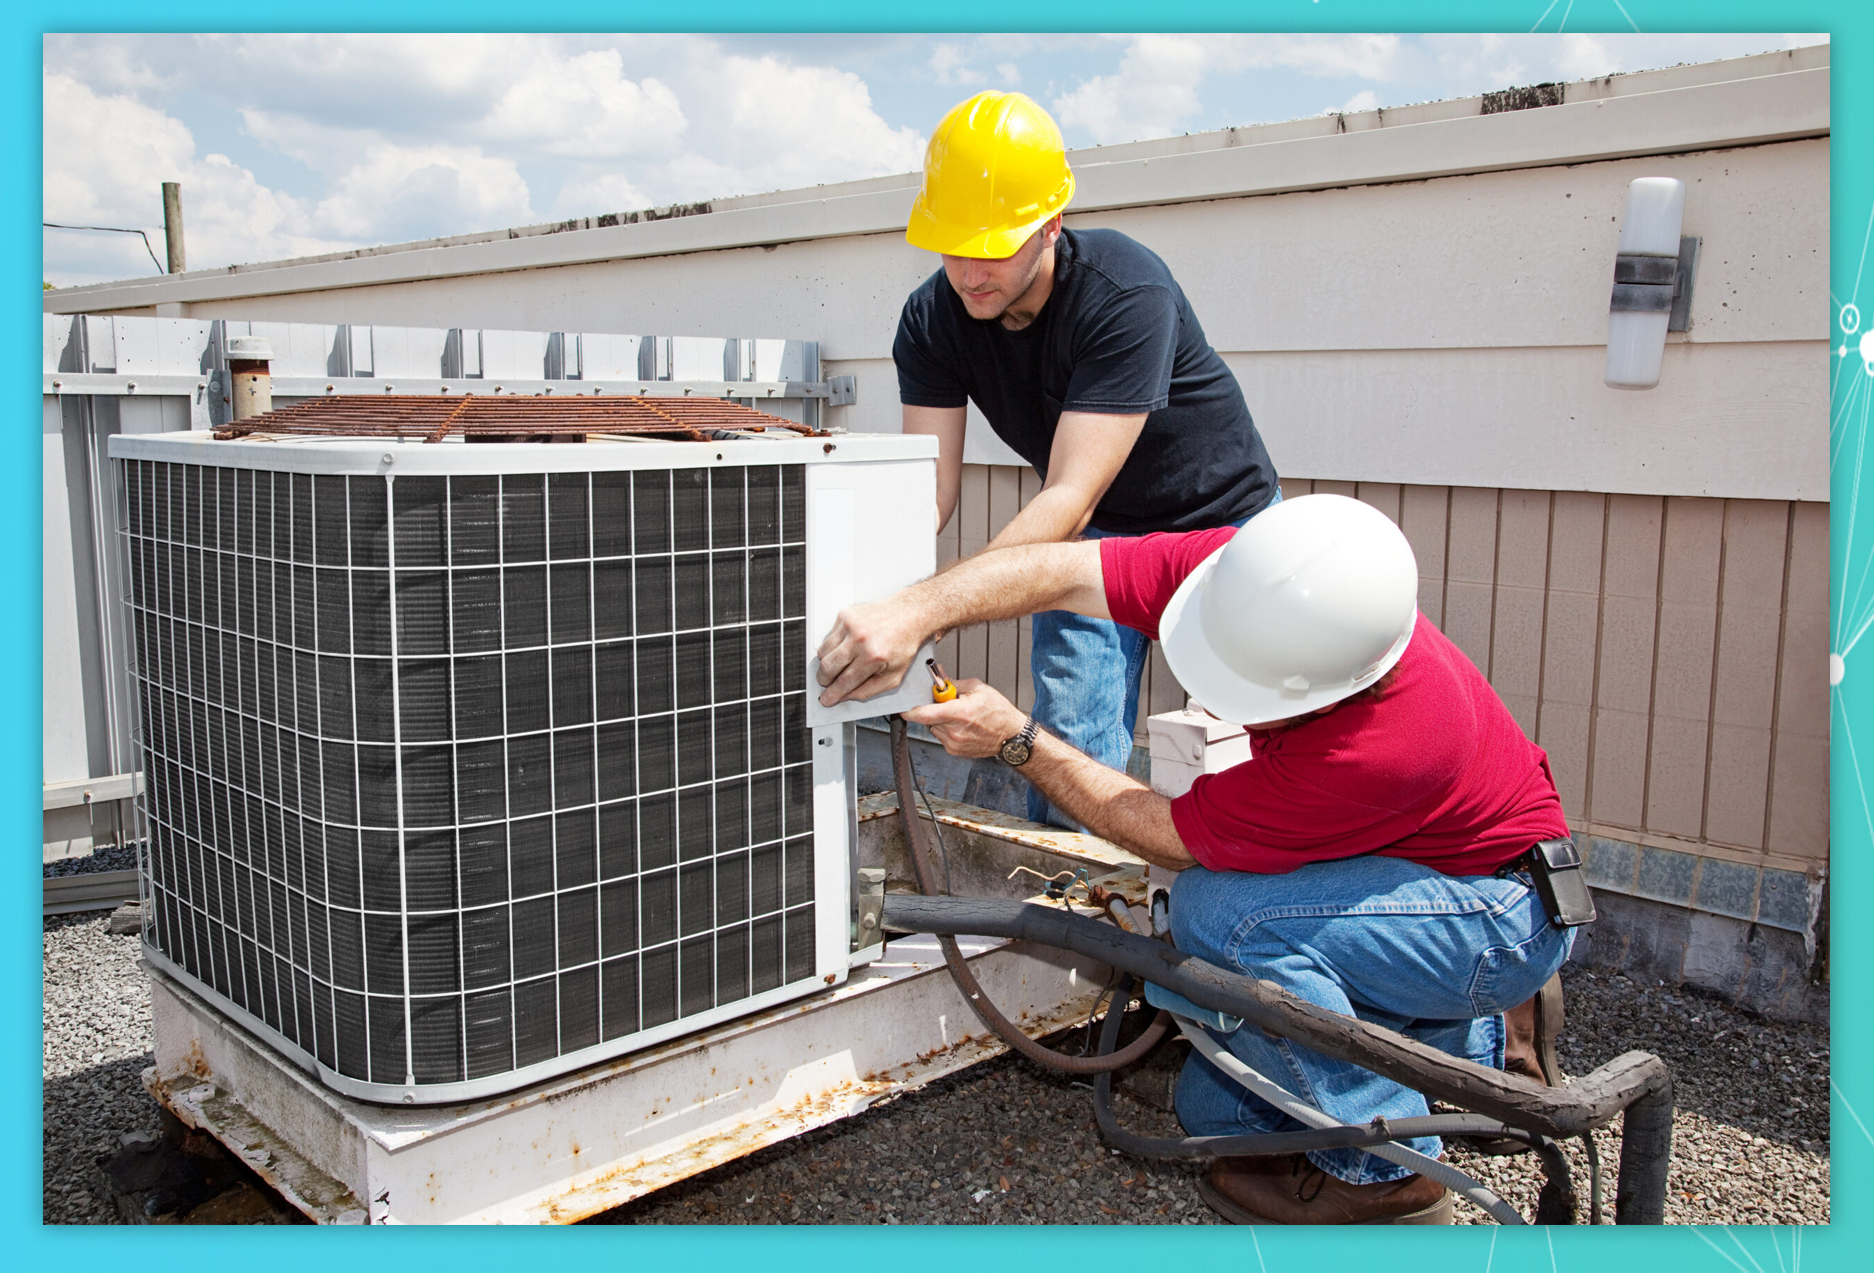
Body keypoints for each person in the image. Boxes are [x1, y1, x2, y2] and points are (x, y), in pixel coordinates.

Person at [815, 494, 1573, 1225]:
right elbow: (1059, 568)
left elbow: (1165, 833)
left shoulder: (1380, 747)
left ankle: (1388, 1175)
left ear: (1325, 692)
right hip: (1439, 869)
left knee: (1224, 919)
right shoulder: (1249, 579)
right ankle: (1476, 1046)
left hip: (1498, 912)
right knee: (1207, 1109)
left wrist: (1018, 739)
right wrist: (917, 609)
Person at [895, 89, 1281, 828]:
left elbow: (1068, 492)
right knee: (1067, 740)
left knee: (1265, 732)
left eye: (997, 246)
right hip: (1098, 534)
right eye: (955, 246)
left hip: (1224, 529)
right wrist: (882, 594)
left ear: (1051, 225)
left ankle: (1249, 907)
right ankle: (1081, 920)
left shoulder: (1124, 290)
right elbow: (930, 491)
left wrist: (928, 608)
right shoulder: (931, 319)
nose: (972, 272)